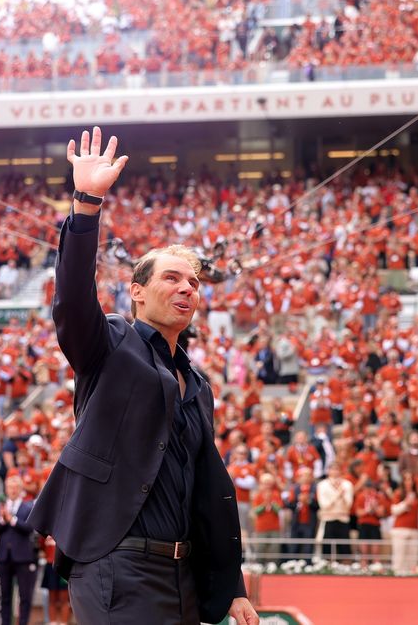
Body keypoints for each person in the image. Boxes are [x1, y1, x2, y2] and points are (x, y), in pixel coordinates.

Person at [27, 128, 255, 625]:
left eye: (193, 282)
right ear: (137, 291)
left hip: (183, 576)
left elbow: (205, 486)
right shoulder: (110, 343)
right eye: (171, 278)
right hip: (116, 563)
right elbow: (71, 302)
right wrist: (87, 204)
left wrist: (232, 586)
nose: (187, 288)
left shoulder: (198, 384)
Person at [0, 477, 38, 625]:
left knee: (25, 596)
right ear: (6, 489)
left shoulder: (28, 507)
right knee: (5, 596)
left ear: (21, 489)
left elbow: (29, 528)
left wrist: (12, 519)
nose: (13, 490)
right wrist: (3, 520)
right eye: (10, 487)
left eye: (16, 487)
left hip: (23, 557)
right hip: (4, 557)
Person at [317, 461, 354, 562]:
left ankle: (346, 568)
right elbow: (324, 505)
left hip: (343, 518)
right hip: (328, 518)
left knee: (344, 547)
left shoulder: (347, 485)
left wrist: (341, 496)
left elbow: (349, 504)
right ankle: (326, 568)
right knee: (327, 547)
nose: (335, 471)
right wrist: (338, 494)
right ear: (328, 471)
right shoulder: (322, 485)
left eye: (337, 469)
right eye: (332, 469)